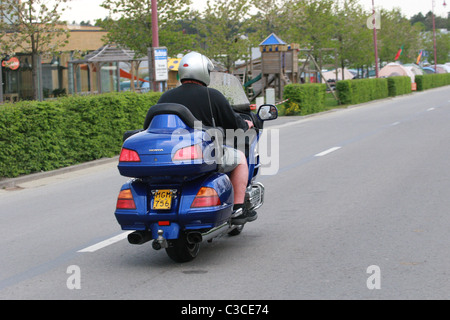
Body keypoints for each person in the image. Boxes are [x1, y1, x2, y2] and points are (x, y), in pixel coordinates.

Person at [157, 51, 256, 224]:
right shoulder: (213, 96)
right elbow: (234, 124)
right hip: (204, 154)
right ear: (203, 72)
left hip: (172, 156)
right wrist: (246, 124)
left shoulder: (166, 97)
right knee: (240, 158)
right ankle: (239, 208)